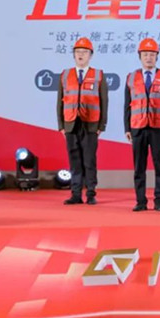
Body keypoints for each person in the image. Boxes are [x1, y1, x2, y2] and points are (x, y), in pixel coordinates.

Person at [124, 38, 160, 212]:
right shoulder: (131, 77)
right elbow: (127, 105)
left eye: (152, 54)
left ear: (157, 56)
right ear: (140, 56)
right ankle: (140, 201)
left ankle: (159, 200)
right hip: (138, 127)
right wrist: (127, 128)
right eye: (145, 54)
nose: (149, 58)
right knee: (139, 167)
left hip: (159, 127)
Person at [58, 37, 108, 205]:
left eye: (85, 52)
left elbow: (104, 101)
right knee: (74, 160)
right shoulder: (65, 75)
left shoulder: (98, 75)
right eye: (78, 52)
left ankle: (91, 193)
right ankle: (76, 194)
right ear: (73, 54)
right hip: (71, 123)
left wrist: (101, 125)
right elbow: (60, 102)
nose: (81, 55)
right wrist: (61, 126)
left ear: (90, 55)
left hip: (91, 124)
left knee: (89, 160)